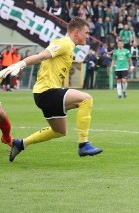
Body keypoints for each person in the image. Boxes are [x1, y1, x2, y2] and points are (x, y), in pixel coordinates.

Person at [0, 17, 103, 162]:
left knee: (59, 131)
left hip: (44, 94)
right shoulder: (64, 43)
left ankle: (20, 143)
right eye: (86, 33)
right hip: (47, 92)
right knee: (86, 99)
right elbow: (42, 56)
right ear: (76, 32)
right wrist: (21, 64)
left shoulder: (69, 46)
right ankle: (83, 144)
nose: (88, 36)